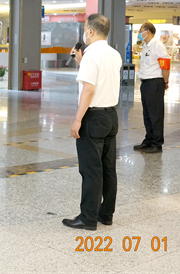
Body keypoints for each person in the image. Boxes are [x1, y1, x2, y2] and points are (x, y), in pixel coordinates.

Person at [62, 14, 122, 231]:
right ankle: (106, 214)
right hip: (111, 116)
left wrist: (77, 119)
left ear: (90, 31)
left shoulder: (91, 55)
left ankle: (87, 217)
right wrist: (81, 62)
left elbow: (89, 90)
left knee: (91, 170)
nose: (84, 32)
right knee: (108, 168)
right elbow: (101, 79)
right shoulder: (114, 54)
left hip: (93, 118)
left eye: (85, 28)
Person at [133, 22, 171, 154]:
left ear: (148, 31)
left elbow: (165, 66)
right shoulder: (145, 45)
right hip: (145, 83)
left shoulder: (157, 45)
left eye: (141, 31)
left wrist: (165, 81)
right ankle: (148, 140)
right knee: (147, 114)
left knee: (155, 114)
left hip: (155, 82)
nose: (140, 33)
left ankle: (157, 143)